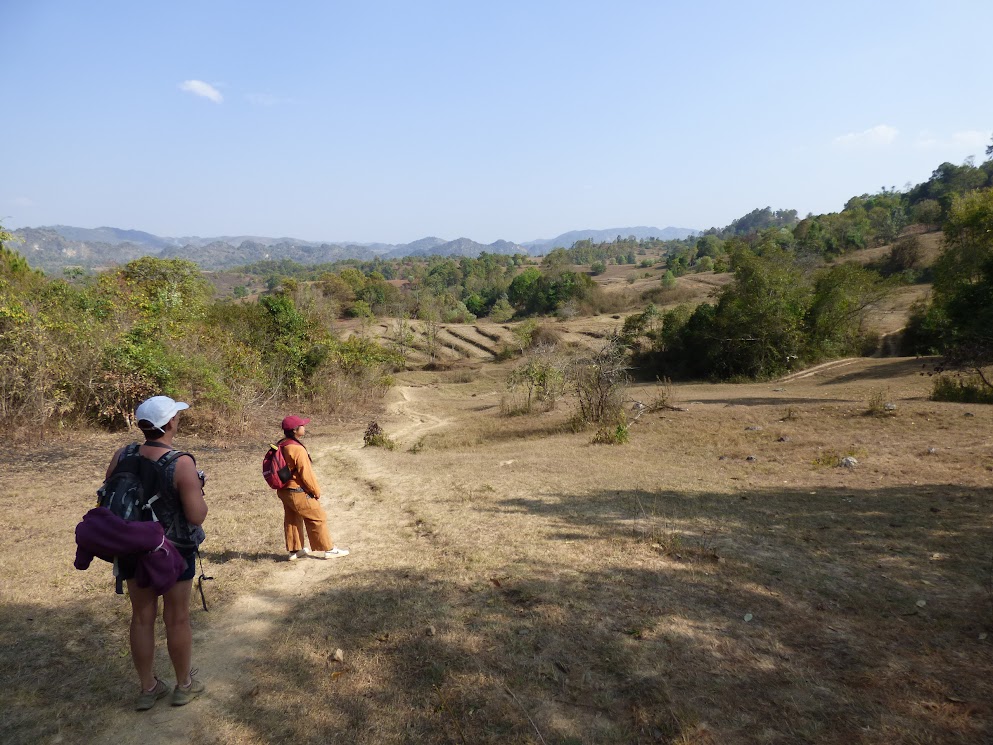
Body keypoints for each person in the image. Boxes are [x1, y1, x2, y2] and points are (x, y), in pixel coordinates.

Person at [104, 395, 208, 710]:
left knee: (141, 619)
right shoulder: (181, 462)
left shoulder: (122, 454)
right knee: (176, 619)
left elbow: (111, 495)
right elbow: (196, 515)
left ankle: (148, 689)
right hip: (172, 552)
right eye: (176, 415)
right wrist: (199, 488)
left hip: (131, 548)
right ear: (170, 423)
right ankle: (184, 686)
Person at [275, 415, 349, 561]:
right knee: (317, 517)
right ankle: (329, 549)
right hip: (297, 491)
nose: (304, 427)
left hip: (284, 490)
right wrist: (315, 491)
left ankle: (295, 550)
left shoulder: (281, 444)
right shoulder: (297, 449)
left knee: (292, 518)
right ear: (296, 430)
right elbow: (306, 474)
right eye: (302, 425)